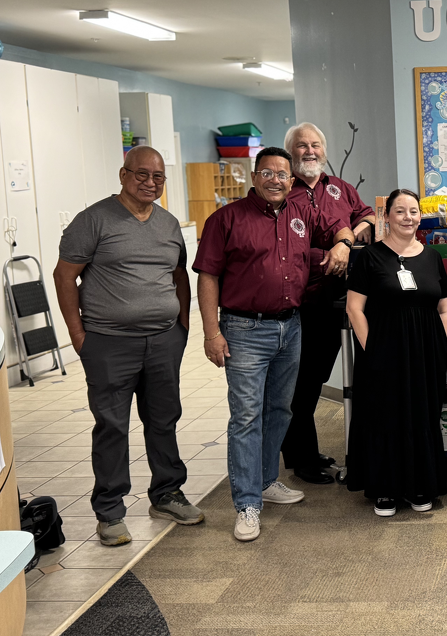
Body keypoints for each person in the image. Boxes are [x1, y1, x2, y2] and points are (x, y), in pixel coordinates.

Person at [53, 146, 203, 547]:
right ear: (123, 175)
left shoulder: (169, 224)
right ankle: (110, 511)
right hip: (108, 343)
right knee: (112, 426)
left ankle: (167, 494)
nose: (150, 183)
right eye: (141, 174)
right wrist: (78, 335)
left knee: (164, 419)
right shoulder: (94, 220)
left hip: (162, 341)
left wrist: (182, 325)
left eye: (158, 177)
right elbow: (65, 277)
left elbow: (178, 277)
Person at [193, 147, 345, 542]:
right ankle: (246, 503)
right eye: (268, 173)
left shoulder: (301, 214)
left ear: (291, 181)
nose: (276, 180)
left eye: (283, 174)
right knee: (246, 416)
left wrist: (343, 243)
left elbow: (337, 224)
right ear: (254, 176)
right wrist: (212, 333)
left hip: (290, 327)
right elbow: (207, 277)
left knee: (280, 409)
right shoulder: (225, 220)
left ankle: (264, 481)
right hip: (244, 329)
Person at [345, 188, 447, 516]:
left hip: (424, 354)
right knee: (384, 418)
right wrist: (372, 349)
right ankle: (385, 490)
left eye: (414, 211)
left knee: (422, 416)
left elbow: (444, 307)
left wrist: (440, 345)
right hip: (383, 353)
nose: (408, 218)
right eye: (400, 211)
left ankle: (421, 487)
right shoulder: (370, 257)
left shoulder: (432, 256)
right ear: (387, 217)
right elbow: (354, 308)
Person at [281, 122, 375, 485]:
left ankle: (307, 451)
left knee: (316, 378)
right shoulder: (281, 190)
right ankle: (300, 460)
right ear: (291, 152)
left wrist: (348, 239)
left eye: (315, 144)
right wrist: (333, 247)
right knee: (298, 383)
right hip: (298, 301)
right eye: (302, 146)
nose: (310, 151)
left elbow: (366, 214)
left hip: (335, 300)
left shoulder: (338, 187)